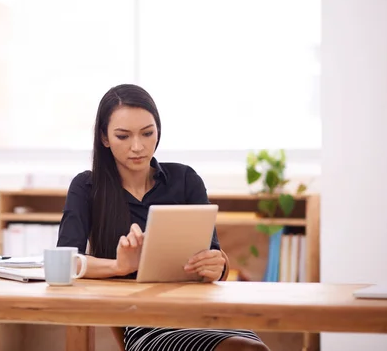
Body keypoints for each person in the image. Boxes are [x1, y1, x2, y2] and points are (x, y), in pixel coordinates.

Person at [57, 84, 270, 351]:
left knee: (252, 349)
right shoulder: (87, 187)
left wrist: (218, 266)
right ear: (104, 138)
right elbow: (63, 263)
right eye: (123, 136)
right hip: (145, 322)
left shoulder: (185, 179)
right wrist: (118, 267)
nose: (138, 147)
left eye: (148, 133)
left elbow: (213, 257)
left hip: (203, 310)